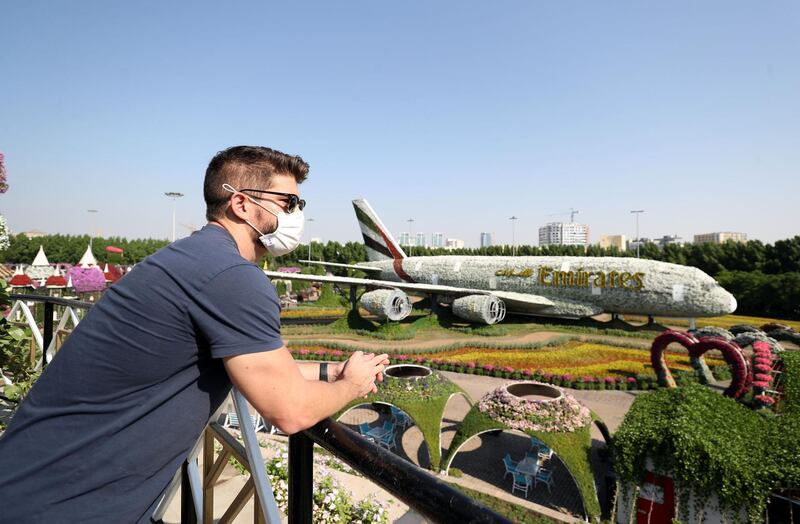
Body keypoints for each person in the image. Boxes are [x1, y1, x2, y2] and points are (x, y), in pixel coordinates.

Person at [0, 145, 389, 523]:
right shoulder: (231, 276)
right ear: (241, 204)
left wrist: (327, 372)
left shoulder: (195, 258)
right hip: (62, 504)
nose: (296, 214)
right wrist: (352, 385)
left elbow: (247, 363)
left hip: (40, 487)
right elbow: (289, 411)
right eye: (288, 203)